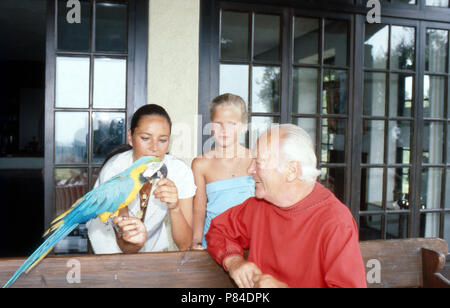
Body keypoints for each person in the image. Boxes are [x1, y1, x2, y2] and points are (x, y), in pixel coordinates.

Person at [206, 124, 367, 288]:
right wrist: (234, 261)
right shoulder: (260, 204)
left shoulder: (336, 222)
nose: (250, 169)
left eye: (259, 163)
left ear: (291, 170)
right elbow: (218, 230)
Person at [86, 104, 196, 253]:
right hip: (109, 242)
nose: (154, 148)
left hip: (151, 243)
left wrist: (175, 208)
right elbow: (126, 244)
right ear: (130, 137)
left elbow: (185, 245)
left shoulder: (179, 172)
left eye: (162, 140)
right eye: (145, 138)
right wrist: (136, 241)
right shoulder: (115, 171)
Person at [191, 94, 255, 249]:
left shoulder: (255, 159)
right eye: (218, 123)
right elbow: (199, 209)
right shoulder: (201, 164)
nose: (224, 130)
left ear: (243, 126)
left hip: (250, 243)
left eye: (232, 124)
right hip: (213, 244)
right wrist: (196, 241)